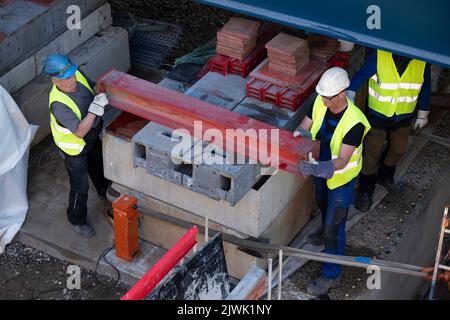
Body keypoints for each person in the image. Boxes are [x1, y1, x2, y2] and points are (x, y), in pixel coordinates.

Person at [294, 67, 371, 296]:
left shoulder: (355, 122)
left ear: (341, 94)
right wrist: (299, 139)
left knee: (334, 227)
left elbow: (342, 160)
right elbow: (304, 127)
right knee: (322, 204)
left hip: (340, 180)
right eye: (322, 95)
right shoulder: (320, 101)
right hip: (321, 172)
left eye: (328, 96)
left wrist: (316, 168)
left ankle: (331, 274)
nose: (323, 100)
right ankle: (324, 228)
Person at [347, 50, 431, 211]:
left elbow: (426, 86)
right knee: (372, 152)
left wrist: (423, 114)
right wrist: (350, 93)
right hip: (378, 114)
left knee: (398, 149)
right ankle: (366, 191)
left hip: (404, 115)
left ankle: (385, 177)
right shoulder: (380, 56)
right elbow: (361, 75)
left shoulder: (423, 60)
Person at [44, 53, 110, 238]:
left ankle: (105, 194)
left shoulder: (77, 74)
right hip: (75, 150)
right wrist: (95, 109)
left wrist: (102, 92)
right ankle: (76, 220)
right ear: (55, 81)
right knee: (80, 186)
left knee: (99, 167)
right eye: (67, 78)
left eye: (73, 74)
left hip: (92, 137)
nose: (73, 80)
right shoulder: (58, 104)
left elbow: (93, 86)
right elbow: (79, 131)